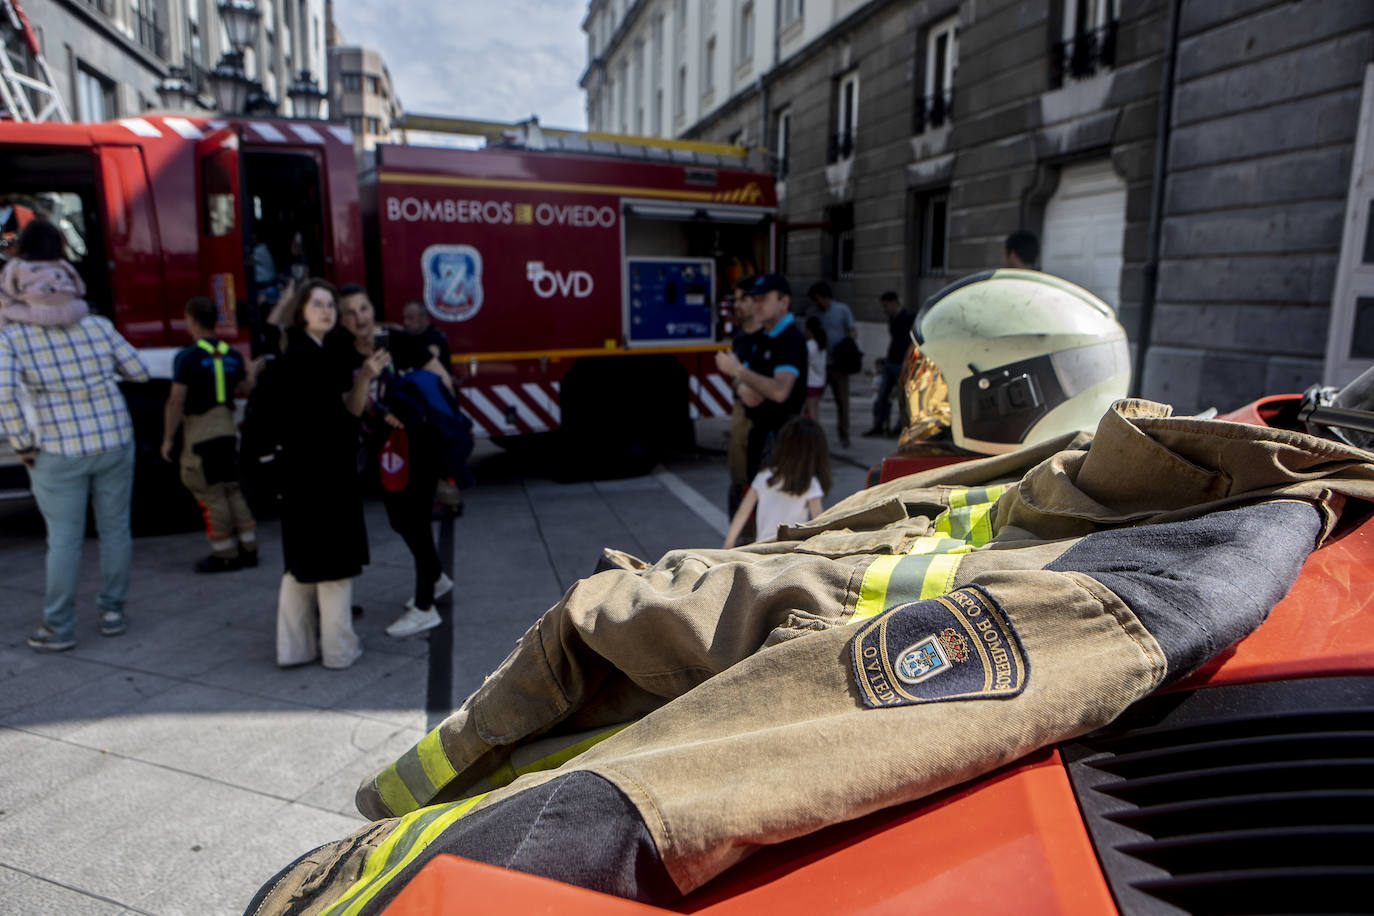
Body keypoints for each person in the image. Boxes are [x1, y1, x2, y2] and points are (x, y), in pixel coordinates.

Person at [0, 227, 150, 652]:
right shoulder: (98, 326)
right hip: (113, 438)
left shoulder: (12, 337)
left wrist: (22, 443)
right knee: (115, 529)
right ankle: (112, 612)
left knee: (64, 540)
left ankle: (59, 627)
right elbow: (139, 371)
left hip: (57, 449)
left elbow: (5, 396)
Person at [272, 279, 384, 670]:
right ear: (301, 311)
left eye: (329, 305)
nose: (326, 310)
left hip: (303, 478)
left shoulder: (301, 352)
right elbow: (340, 422)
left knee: (300, 568)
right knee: (334, 570)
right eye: (317, 304)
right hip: (323, 477)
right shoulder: (310, 358)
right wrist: (364, 378)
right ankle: (339, 650)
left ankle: (294, 649)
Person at [160, 296, 258, 572]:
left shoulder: (187, 357)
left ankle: (224, 553)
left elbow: (176, 401)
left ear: (191, 320)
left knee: (211, 493)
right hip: (228, 431)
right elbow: (247, 389)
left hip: (201, 434)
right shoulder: (232, 355)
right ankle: (249, 547)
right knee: (232, 488)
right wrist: (252, 371)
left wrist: (168, 439)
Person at [715, 273, 807, 480]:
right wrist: (741, 386)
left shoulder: (790, 338)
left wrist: (738, 371)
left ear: (784, 302)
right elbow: (745, 379)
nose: (757, 305)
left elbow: (779, 391)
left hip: (781, 441)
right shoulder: (762, 336)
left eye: (763, 299)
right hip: (759, 437)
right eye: (755, 299)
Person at [723, 415, 830, 548]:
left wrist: (728, 544)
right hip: (791, 550)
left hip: (762, 548)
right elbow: (818, 522)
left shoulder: (765, 476)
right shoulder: (810, 483)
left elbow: (743, 512)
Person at [0, 219, 89, 328]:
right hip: (71, 313)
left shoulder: (16, 266)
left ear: (23, 243)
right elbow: (80, 290)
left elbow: (6, 294)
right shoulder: (63, 264)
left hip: (35, 315)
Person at [724, 275, 760, 528]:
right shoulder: (740, 338)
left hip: (763, 422)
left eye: (742, 299)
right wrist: (739, 384)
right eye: (735, 299)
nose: (736, 305)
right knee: (738, 477)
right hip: (742, 414)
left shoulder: (772, 338)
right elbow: (735, 377)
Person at [805, 282, 856, 448]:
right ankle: (808, 433)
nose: (816, 303)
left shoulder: (842, 310)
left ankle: (844, 433)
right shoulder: (812, 313)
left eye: (817, 299)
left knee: (842, 401)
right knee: (812, 401)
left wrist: (847, 347)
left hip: (839, 364)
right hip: (819, 366)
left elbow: (852, 330)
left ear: (824, 297)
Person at [863, 291, 915, 437]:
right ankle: (879, 425)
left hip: (902, 362)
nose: (884, 309)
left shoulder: (908, 318)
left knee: (903, 397)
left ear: (893, 303)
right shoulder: (892, 318)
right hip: (891, 360)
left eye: (886, 306)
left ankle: (899, 427)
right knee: (882, 396)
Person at [802, 316, 827, 420]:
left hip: (810, 382)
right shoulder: (821, 344)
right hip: (820, 382)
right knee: (815, 409)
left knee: (811, 410)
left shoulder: (809, 345)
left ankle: (814, 429)